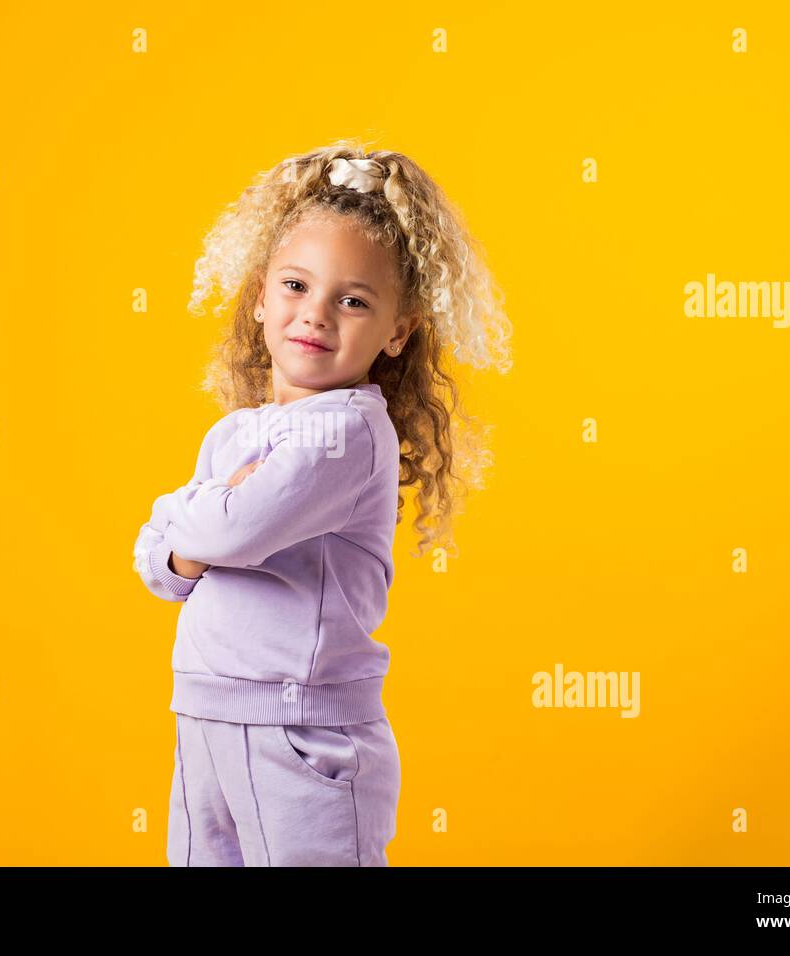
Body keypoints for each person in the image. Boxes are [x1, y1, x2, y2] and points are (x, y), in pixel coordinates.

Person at [133, 139, 513, 865]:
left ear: (397, 332)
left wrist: (199, 522)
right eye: (296, 286)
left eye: (354, 300)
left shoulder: (347, 432)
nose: (317, 314)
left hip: (300, 735)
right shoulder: (235, 433)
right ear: (259, 299)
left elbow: (235, 530)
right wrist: (194, 534)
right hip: (205, 719)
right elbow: (161, 564)